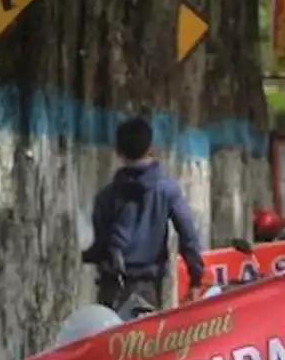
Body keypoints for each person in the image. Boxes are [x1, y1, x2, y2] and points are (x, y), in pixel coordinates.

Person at [82, 116, 205, 310]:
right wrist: (196, 279)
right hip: (148, 287)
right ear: (151, 148)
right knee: (147, 338)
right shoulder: (167, 191)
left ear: (118, 151)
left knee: (110, 338)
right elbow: (188, 235)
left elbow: (98, 246)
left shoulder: (105, 197)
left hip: (111, 288)